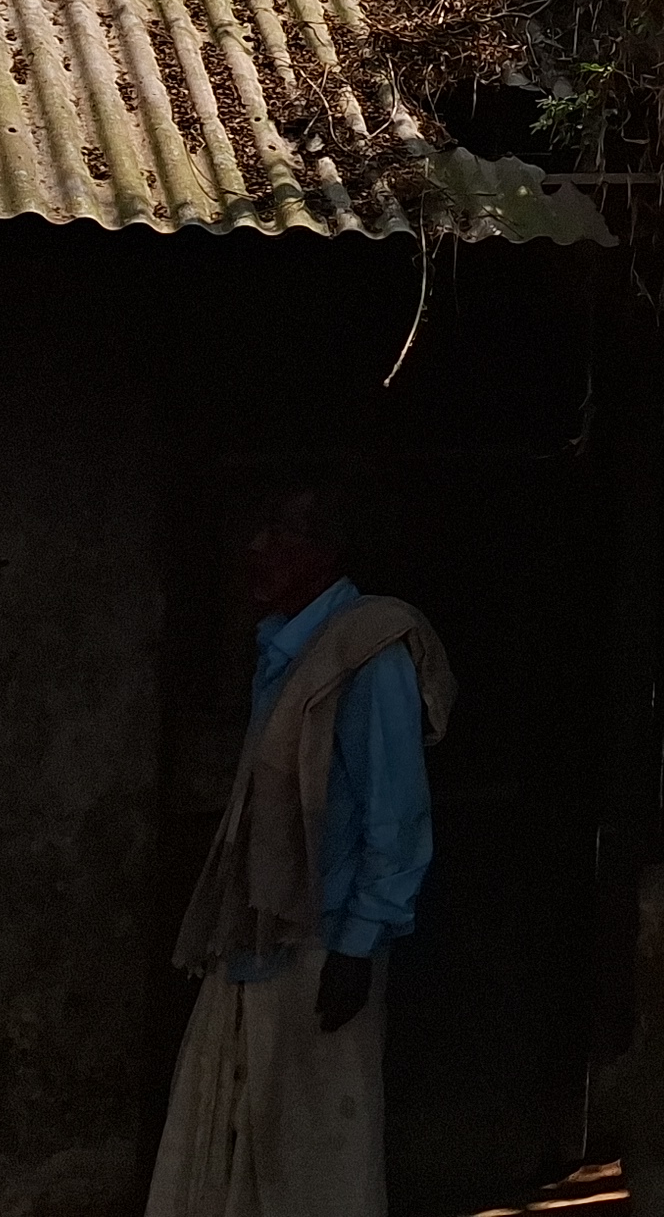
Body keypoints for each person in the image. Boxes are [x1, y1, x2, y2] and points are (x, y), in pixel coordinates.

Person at [145, 483, 451, 1217]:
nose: (256, 552)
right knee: (250, 1135)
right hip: (259, 931)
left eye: (278, 534)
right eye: (256, 533)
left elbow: (396, 814)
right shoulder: (288, 647)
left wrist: (356, 947)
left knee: (316, 1156)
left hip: (323, 941)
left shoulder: (367, 649)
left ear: (324, 551)